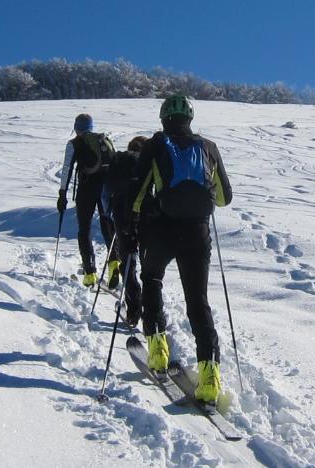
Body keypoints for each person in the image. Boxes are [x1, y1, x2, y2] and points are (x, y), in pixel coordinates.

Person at [129, 95, 232, 405]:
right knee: (198, 300)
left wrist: (133, 224)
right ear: (190, 118)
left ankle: (158, 349)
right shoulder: (208, 147)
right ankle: (210, 374)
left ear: (164, 118)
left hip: (163, 227)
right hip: (198, 231)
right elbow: (225, 198)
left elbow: (139, 192)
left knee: (152, 279)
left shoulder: (156, 145)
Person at [57, 114, 115, 287]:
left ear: (76, 127)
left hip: (86, 188)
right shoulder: (103, 141)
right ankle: (115, 264)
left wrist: (62, 193)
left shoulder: (74, 144)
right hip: (106, 187)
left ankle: (90, 274)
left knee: (84, 228)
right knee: (107, 224)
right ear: (91, 126)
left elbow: (67, 168)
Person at [100, 135, 148, 326]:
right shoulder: (147, 163)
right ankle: (151, 316)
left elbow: (105, 194)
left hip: (122, 217)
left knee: (128, 265)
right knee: (150, 270)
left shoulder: (119, 161)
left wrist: (110, 214)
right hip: (147, 217)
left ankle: (134, 312)